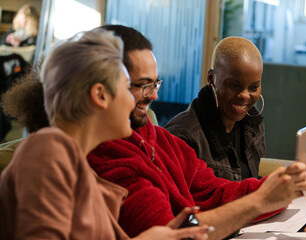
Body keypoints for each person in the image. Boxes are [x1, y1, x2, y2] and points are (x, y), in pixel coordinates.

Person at [87, 25, 306, 240]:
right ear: (103, 91)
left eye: (156, 84)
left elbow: (215, 192)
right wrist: (259, 201)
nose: (154, 96)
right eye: (142, 85)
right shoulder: (112, 159)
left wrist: (286, 183)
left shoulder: (161, 140)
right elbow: (171, 233)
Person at [0, 29, 212, 239]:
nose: (132, 100)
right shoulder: (48, 151)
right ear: (100, 95)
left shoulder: (78, 165)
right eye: (126, 87)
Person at [164, 37, 306, 235]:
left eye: (253, 87)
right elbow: (192, 208)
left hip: (250, 219)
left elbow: (246, 179)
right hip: (216, 227)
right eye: (234, 85)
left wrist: (300, 174)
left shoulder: (252, 124)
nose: (244, 96)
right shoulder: (182, 136)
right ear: (211, 79)